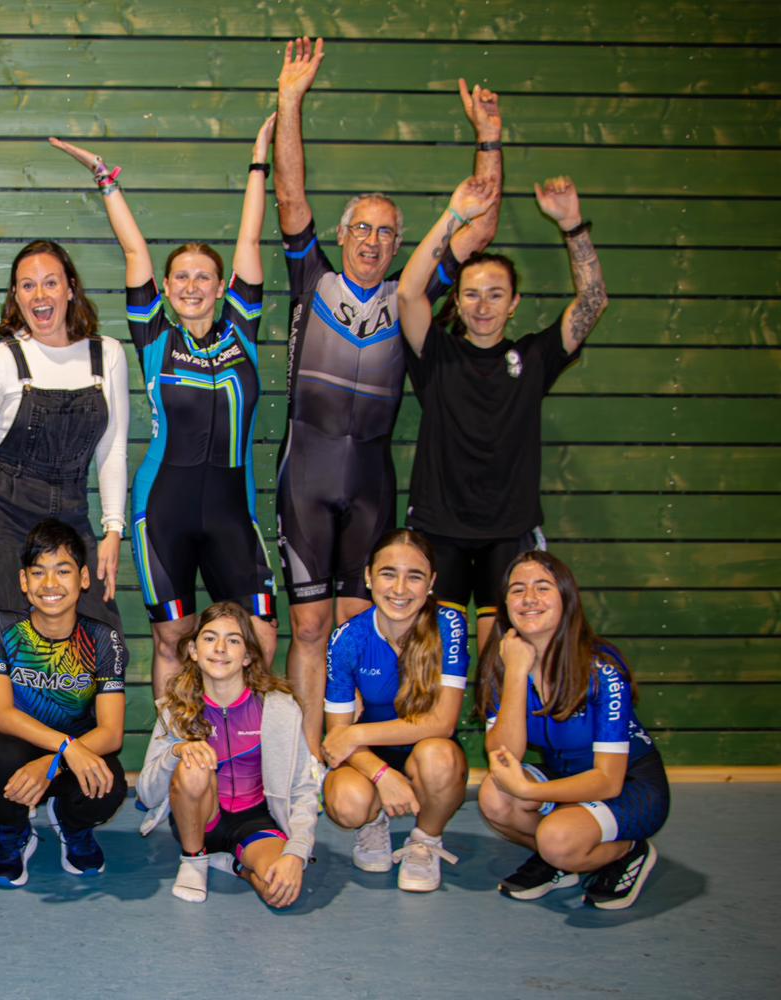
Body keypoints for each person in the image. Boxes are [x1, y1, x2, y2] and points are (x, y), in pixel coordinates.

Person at [272, 37, 503, 751]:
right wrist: (289, 99)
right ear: (343, 235)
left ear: (400, 244)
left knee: (355, 624)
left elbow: (481, 225)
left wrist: (489, 141)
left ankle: (351, 755)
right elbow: (290, 195)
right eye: (362, 229)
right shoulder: (313, 277)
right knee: (308, 625)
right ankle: (305, 764)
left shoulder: (411, 298)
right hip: (306, 475)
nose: (372, 241)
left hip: (371, 478)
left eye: (385, 233)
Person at [48, 114, 279, 711]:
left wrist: (260, 160)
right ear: (168, 289)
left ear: (223, 286)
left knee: (259, 637)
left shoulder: (243, 329)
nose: (192, 285)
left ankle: (247, 744)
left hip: (232, 508)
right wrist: (106, 179)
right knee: (174, 638)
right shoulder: (155, 337)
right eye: (181, 277)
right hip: (165, 506)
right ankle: (176, 746)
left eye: (205, 276)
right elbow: (135, 249)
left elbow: (251, 239)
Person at [397, 177, 608, 652]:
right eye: (472, 294)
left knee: (507, 659)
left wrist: (572, 224)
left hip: (509, 533)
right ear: (457, 300)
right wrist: (454, 215)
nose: (482, 306)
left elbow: (593, 303)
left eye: (495, 294)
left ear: (513, 304)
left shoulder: (534, 358)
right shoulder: (436, 353)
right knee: (435, 661)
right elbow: (409, 294)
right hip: (439, 528)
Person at [0, 240, 129, 631]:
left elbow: (113, 451)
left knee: (100, 640)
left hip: (70, 518)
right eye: (28, 286)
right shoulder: (3, 360)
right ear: (16, 296)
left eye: (50, 283)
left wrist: (114, 529)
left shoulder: (108, 356)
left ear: (70, 288)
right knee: (9, 643)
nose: (39, 295)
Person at [478, 551, 668, 910]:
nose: (529, 598)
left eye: (542, 587)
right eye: (517, 590)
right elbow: (505, 755)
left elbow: (608, 781)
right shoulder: (502, 663)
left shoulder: (602, 668)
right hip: (565, 775)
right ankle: (562, 860)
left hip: (628, 786)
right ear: (505, 604)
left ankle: (626, 851)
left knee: (557, 837)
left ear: (566, 598)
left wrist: (529, 788)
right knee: (495, 797)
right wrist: (517, 672)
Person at [137, 602, 319, 906]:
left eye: (233, 640)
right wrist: (176, 752)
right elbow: (146, 794)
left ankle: (232, 863)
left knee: (279, 889)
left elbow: (303, 788)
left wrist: (296, 853)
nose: (220, 648)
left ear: (247, 656)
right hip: (200, 821)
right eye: (210, 638)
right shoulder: (176, 709)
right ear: (194, 651)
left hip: (255, 821)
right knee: (194, 765)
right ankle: (195, 859)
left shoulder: (278, 708)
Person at [0, 520, 127, 886]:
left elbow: (111, 733)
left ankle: (71, 824)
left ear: (84, 578)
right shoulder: (1, 626)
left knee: (110, 785)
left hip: (75, 750)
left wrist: (54, 761)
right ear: (23, 581)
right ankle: (12, 833)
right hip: (22, 747)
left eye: (62, 571)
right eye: (38, 572)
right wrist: (64, 747)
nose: (49, 584)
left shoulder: (103, 638)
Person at [321, 530, 469, 893]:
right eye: (388, 574)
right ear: (369, 577)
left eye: (414, 576)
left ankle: (425, 841)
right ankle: (373, 824)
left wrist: (356, 732)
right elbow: (336, 739)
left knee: (440, 759)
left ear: (431, 583)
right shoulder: (348, 638)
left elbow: (442, 723)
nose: (400, 589)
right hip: (369, 755)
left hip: (428, 749)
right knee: (347, 802)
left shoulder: (449, 625)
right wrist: (381, 773)